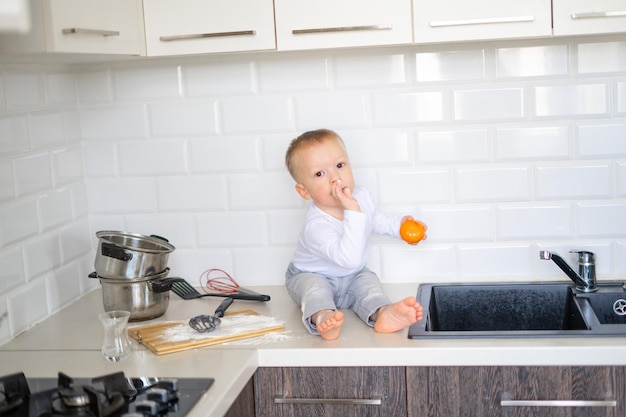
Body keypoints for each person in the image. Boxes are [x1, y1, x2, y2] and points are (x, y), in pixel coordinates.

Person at [284, 128, 426, 340]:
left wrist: (399, 227)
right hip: (310, 274)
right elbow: (348, 259)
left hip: (353, 275)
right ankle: (323, 318)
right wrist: (352, 211)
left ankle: (383, 313)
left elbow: (374, 219)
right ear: (304, 191)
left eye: (340, 166)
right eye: (320, 174)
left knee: (369, 285)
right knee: (315, 291)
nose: (335, 178)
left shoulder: (361, 195)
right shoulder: (316, 226)